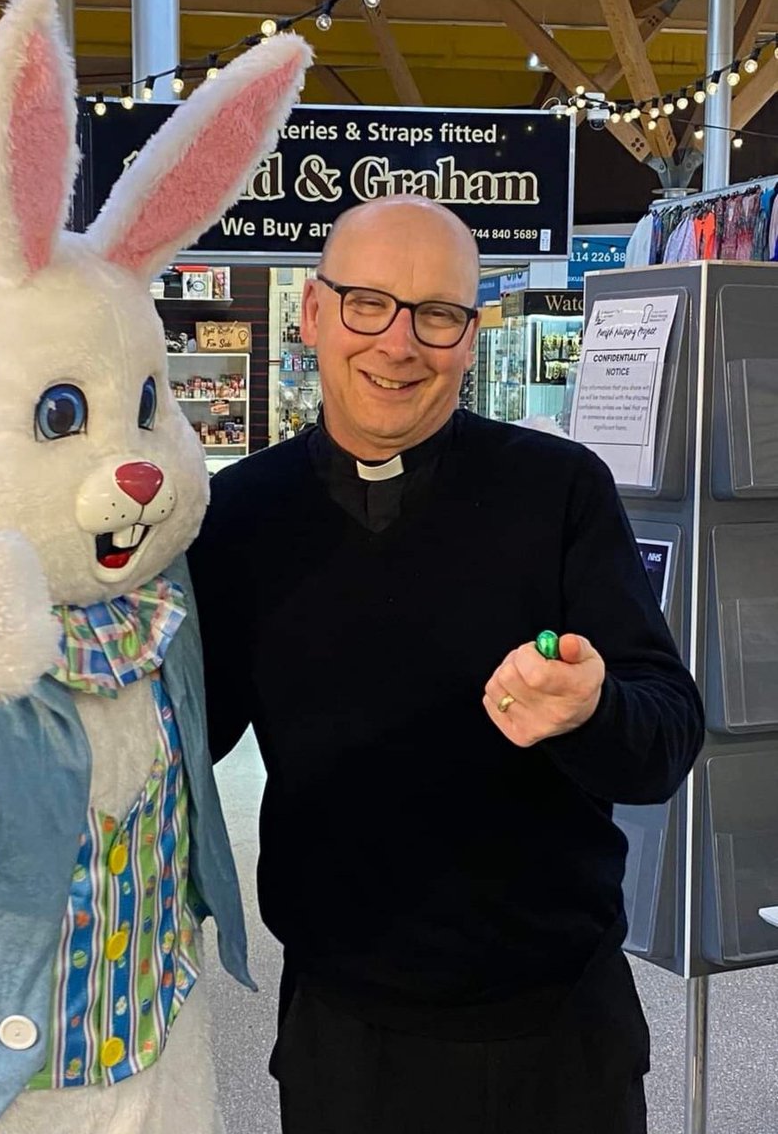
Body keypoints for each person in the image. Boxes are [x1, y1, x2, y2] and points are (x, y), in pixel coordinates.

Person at [187, 195, 704, 1134]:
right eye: (368, 304)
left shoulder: (558, 490)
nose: (398, 344)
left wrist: (593, 708)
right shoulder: (238, 515)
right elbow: (181, 742)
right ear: (313, 313)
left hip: (556, 1031)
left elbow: (666, 738)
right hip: (345, 1035)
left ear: (470, 337)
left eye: (437, 315)